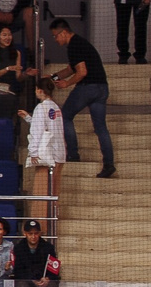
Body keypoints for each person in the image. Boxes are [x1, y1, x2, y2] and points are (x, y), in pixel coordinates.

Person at [47, 20, 113, 178]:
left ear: (63, 33)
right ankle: (109, 164)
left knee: (65, 116)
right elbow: (72, 68)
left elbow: (81, 72)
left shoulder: (74, 46)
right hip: (102, 88)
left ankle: (73, 154)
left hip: (87, 88)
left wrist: (66, 83)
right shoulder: (81, 43)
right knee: (101, 128)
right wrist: (52, 77)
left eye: (55, 36)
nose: (56, 40)